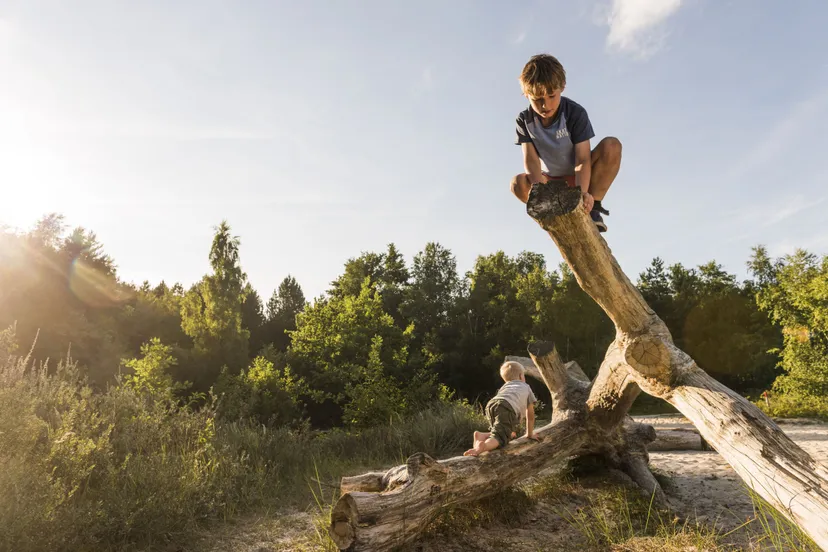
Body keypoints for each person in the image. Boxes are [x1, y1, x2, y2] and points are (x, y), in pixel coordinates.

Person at [510, 54, 622, 232]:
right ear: (526, 94)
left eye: (551, 96)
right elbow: (531, 160)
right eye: (537, 99)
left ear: (562, 87)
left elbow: (582, 159)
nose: (545, 105)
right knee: (517, 183)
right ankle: (552, 216)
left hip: (579, 175)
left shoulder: (574, 113)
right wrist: (542, 194)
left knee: (612, 146)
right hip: (550, 181)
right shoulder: (524, 120)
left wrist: (581, 194)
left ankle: (593, 206)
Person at [464, 361, 539, 456]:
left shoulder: (505, 386)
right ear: (521, 376)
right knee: (499, 438)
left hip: (491, 404)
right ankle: (482, 447)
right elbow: (530, 415)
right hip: (506, 406)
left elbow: (502, 405)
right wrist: (529, 433)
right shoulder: (526, 387)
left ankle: (481, 436)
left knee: (499, 430)